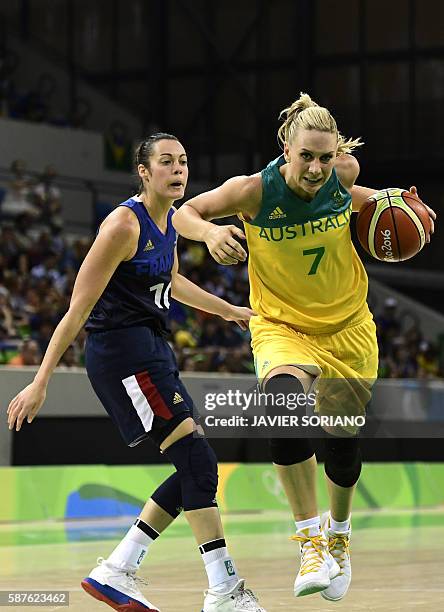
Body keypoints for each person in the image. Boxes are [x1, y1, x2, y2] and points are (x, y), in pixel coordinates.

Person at [172, 94, 436, 601]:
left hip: (349, 330)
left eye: (325, 157)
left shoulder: (343, 174)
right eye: (306, 157)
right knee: (283, 408)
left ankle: (339, 533)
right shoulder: (252, 191)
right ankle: (310, 541)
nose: (317, 168)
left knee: (343, 452)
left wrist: (406, 211)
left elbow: (367, 197)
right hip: (282, 326)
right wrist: (208, 232)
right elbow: (187, 211)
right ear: (285, 150)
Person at [6, 133, 266, 612]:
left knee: (194, 465)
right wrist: (40, 381)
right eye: (166, 162)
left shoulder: (168, 222)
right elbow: (76, 310)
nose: (178, 170)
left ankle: (118, 571)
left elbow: (170, 280)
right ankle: (222, 590)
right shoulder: (123, 226)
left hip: (151, 349)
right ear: (144, 172)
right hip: (122, 354)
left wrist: (228, 310)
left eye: (183, 162)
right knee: (198, 461)